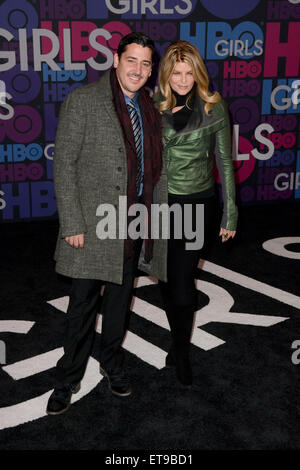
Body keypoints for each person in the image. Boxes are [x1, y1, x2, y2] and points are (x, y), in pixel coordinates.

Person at [46, 32, 168, 415]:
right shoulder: (84, 100)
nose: (138, 69)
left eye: (146, 63)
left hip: (133, 221)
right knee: (82, 305)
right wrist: (73, 224)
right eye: (132, 60)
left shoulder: (152, 108)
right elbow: (64, 164)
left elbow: (158, 169)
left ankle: (112, 364)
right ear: (116, 60)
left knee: (119, 302)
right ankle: (67, 378)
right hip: (94, 224)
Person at [156, 40, 238, 389]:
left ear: (199, 73)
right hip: (159, 204)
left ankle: (182, 352)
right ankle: (177, 340)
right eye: (177, 72)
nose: (184, 79)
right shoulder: (151, 106)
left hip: (195, 204)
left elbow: (225, 162)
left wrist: (230, 212)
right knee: (163, 276)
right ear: (166, 74)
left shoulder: (214, 107)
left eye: (190, 72)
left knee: (182, 284)